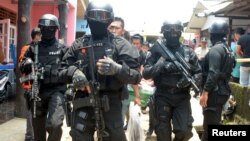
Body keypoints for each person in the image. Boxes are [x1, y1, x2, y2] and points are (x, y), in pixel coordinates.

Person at [59, 1, 141, 141]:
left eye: (102, 15)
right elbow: (61, 70)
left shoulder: (120, 44)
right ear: (87, 17)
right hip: (83, 101)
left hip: (111, 103)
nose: (97, 19)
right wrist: (74, 72)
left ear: (109, 18)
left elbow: (136, 76)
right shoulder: (79, 44)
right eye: (93, 15)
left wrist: (117, 69)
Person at [143, 20, 202, 141]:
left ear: (181, 31)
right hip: (162, 96)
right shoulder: (156, 50)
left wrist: (191, 81)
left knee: (184, 131)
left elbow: (198, 72)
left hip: (182, 97)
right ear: (163, 31)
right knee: (162, 134)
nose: (172, 32)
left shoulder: (188, 52)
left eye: (175, 29)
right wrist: (161, 64)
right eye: (169, 29)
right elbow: (146, 74)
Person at [19, 14, 67, 141]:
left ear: (56, 29)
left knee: (55, 125)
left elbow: (70, 68)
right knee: (38, 131)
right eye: (43, 28)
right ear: (40, 28)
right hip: (38, 91)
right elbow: (21, 66)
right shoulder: (33, 48)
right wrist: (27, 64)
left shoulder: (62, 48)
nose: (47, 31)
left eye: (50, 28)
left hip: (57, 91)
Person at [199, 20, 235, 141]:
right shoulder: (228, 49)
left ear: (213, 34)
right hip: (223, 91)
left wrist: (205, 92)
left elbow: (213, 72)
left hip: (214, 92)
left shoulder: (215, 49)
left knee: (209, 128)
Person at [108, 16, 141, 130]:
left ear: (122, 31)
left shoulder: (127, 49)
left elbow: (134, 74)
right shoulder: (102, 44)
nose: (113, 30)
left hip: (119, 93)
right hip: (101, 93)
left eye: (116, 28)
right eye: (111, 27)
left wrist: (137, 95)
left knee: (117, 127)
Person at [22, 27, 42, 141]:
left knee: (40, 112)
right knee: (31, 112)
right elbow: (21, 64)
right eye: (39, 35)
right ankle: (29, 136)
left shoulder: (43, 48)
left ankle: (38, 134)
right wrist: (29, 63)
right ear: (35, 35)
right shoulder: (27, 48)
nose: (41, 37)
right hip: (30, 86)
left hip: (41, 85)